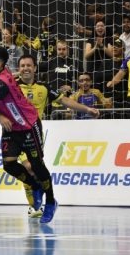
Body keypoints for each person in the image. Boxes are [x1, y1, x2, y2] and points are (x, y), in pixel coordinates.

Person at [0, 47, 98, 224]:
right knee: (9, 165)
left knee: (36, 165)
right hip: (12, 129)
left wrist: (87, 109)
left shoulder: (5, 83)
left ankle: (51, 201)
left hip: (29, 126)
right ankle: (35, 186)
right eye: (22, 65)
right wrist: (0, 115)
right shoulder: (2, 75)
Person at [16, 55, 100, 216]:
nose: (25, 68)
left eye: (28, 65)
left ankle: (36, 204)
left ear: (34, 68)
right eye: (22, 65)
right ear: (18, 69)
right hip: (15, 134)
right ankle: (34, 205)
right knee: (27, 167)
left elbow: (66, 101)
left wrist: (87, 109)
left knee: (34, 169)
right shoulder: (12, 86)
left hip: (35, 135)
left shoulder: (44, 87)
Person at [43, 40, 78, 118]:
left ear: (68, 49)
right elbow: (36, 68)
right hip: (52, 99)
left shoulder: (75, 63)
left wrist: (71, 87)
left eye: (64, 49)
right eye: (59, 49)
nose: (61, 51)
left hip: (68, 99)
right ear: (56, 50)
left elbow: (81, 80)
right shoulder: (51, 62)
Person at [84, 20, 113, 93]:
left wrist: (102, 45)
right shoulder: (90, 40)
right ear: (94, 28)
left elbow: (112, 55)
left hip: (106, 71)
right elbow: (86, 56)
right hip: (93, 70)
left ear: (105, 28)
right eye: (98, 26)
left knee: (106, 92)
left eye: (102, 26)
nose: (100, 28)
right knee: (94, 93)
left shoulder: (109, 39)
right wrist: (95, 47)